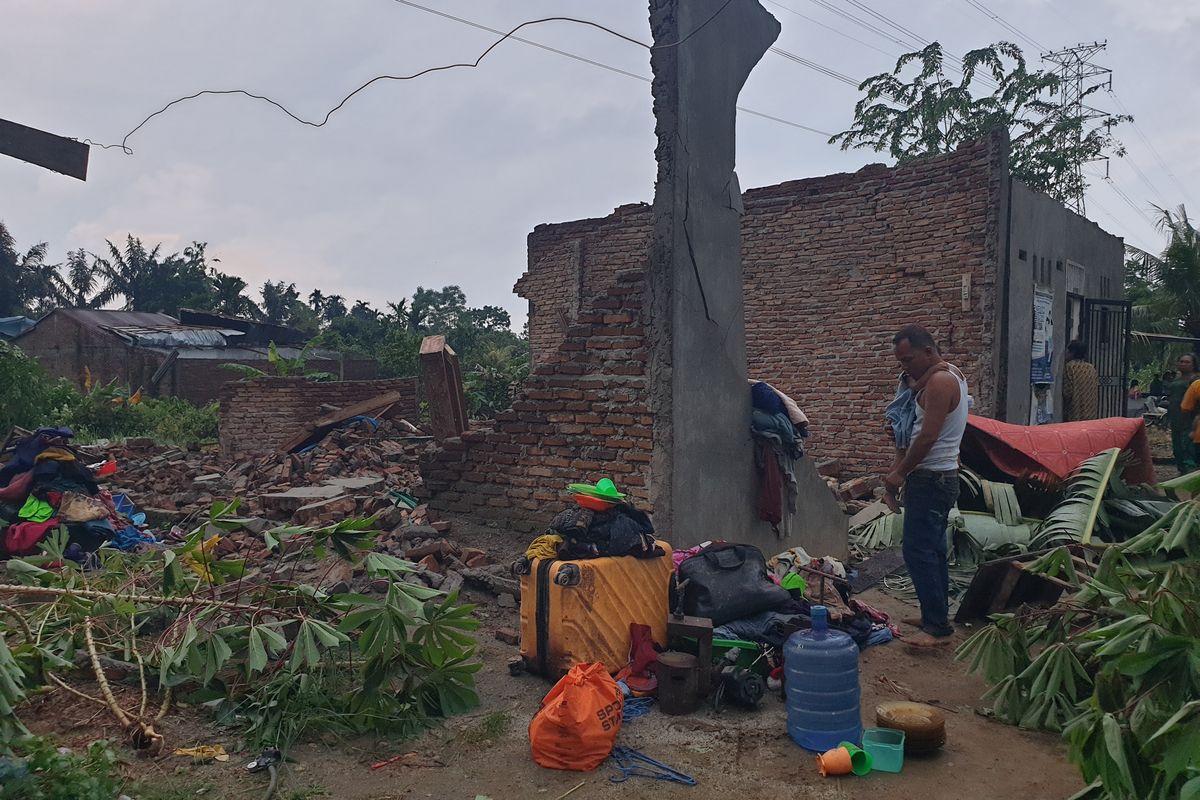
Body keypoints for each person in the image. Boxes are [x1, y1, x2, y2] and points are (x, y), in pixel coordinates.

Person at [883, 325, 967, 648]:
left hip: (931, 479)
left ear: (928, 351)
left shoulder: (941, 382)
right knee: (932, 550)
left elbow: (928, 436)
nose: (905, 367)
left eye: (908, 359)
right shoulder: (944, 375)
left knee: (918, 551)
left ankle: (936, 628)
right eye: (900, 362)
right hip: (936, 478)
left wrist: (899, 473)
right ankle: (936, 616)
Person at [1167, 354, 1200, 473]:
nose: (1183, 364)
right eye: (1181, 361)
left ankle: (1190, 474)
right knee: (1178, 449)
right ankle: (1181, 472)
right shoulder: (1177, 379)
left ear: (1194, 365)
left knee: (1188, 449)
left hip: (1191, 420)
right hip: (1176, 419)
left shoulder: (1196, 380)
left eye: (1187, 362)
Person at [1062, 340, 1100, 421]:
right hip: (1090, 412)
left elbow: (1067, 392)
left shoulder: (1070, 367)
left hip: (1075, 412)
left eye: (1068, 351)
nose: (1065, 353)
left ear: (1073, 352)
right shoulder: (1091, 368)